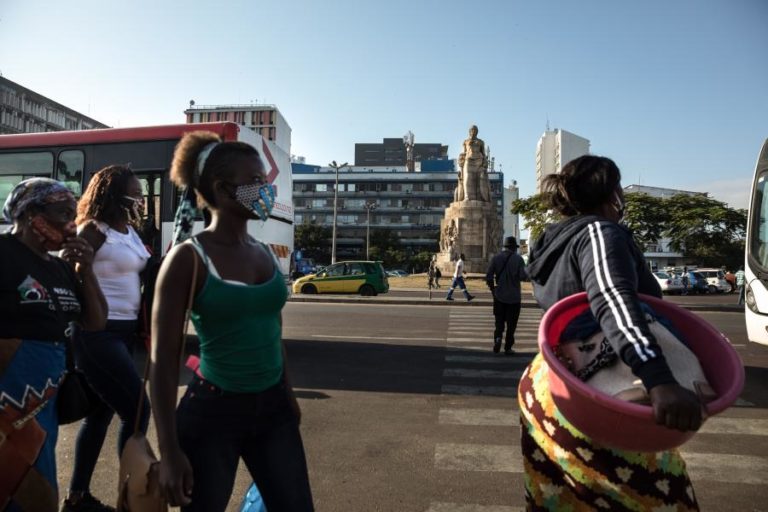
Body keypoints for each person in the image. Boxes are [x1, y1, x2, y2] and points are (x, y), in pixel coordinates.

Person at [523, 155, 702, 510]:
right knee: (656, 498)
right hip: (604, 390)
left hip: (553, 384)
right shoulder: (599, 233)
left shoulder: (551, 242)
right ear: (612, 193)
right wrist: (658, 380)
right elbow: (612, 300)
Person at [150, 131, 314, 511]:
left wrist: (287, 395)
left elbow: (273, 331)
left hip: (273, 410)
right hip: (212, 414)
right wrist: (169, 450)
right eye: (255, 182)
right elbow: (161, 362)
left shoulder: (263, 253)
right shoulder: (188, 259)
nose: (265, 189)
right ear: (223, 190)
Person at [0, 178, 107, 511]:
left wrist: (86, 270)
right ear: (31, 213)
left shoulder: (60, 267)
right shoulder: (4, 253)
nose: (71, 223)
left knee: (39, 477)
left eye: (73, 214)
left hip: (44, 392)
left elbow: (95, 321)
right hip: (8, 387)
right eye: (63, 213)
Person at [61, 166, 151, 512]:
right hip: (97, 333)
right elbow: (70, 270)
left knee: (99, 415)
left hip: (125, 332)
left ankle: (77, 497)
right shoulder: (95, 229)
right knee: (137, 410)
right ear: (113, 194)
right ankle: (131, 495)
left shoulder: (129, 232)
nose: (141, 199)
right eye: (135, 193)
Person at [485, 236, 526, 355]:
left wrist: (493, 290)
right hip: (514, 297)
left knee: (499, 321)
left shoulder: (496, 258)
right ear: (514, 247)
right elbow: (523, 276)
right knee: (511, 324)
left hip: (499, 296)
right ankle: (508, 347)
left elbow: (488, 276)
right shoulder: (519, 259)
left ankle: (497, 338)